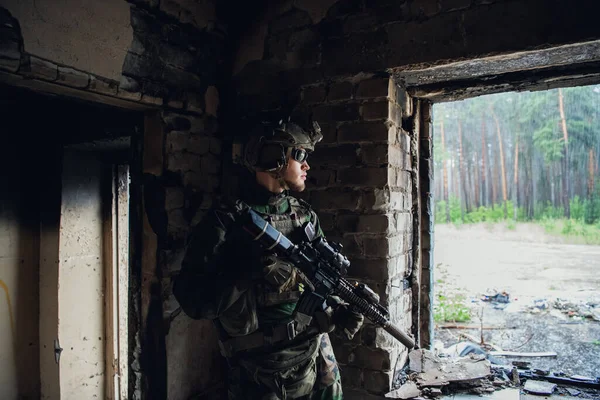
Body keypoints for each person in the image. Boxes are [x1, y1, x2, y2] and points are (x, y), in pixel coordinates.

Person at [173, 119, 364, 399]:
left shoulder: (304, 216)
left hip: (313, 355)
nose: (307, 166)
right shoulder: (227, 219)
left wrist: (338, 307)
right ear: (274, 158)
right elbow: (193, 300)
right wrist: (248, 272)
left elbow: (317, 282)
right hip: (260, 370)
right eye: (299, 156)